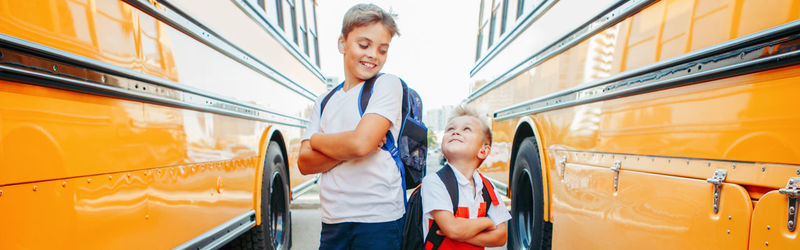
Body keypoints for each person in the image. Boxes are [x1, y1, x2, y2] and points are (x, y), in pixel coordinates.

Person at [297, 3, 404, 250]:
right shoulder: (324, 102)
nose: (373, 55)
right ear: (342, 44)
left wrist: (317, 141)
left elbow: (360, 144)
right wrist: (352, 146)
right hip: (333, 219)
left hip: (379, 219)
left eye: (383, 50)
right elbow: (304, 163)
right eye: (364, 45)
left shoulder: (387, 85)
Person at [421, 105, 510, 249]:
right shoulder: (434, 182)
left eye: (466, 129)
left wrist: (463, 232)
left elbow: (501, 237)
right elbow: (453, 229)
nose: (456, 132)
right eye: (450, 129)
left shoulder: (487, 188)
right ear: (443, 149)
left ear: (483, 151)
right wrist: (486, 223)